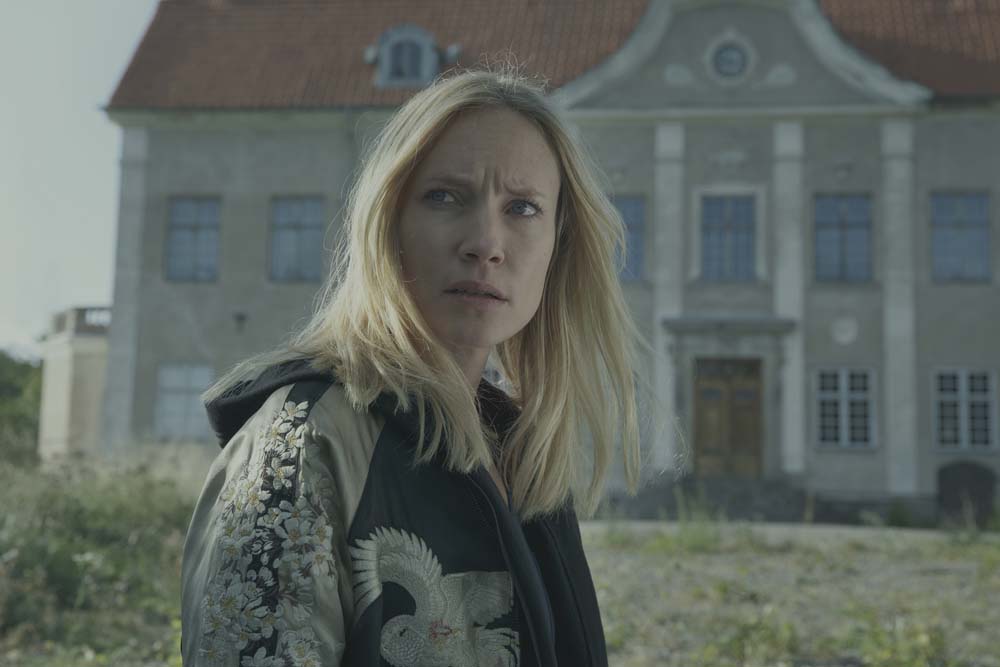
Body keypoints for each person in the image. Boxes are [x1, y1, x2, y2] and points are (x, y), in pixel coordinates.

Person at [180, 65, 660, 667]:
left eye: (522, 208)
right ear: (389, 223)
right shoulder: (302, 440)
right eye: (445, 197)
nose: (486, 243)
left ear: (558, 245)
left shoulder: (520, 450)